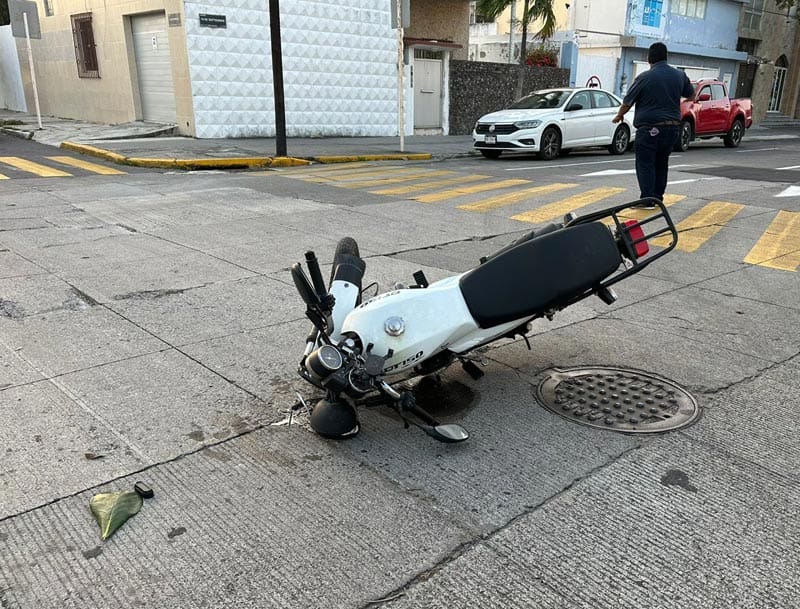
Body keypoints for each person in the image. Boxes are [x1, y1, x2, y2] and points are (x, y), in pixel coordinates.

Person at [612, 42, 693, 208]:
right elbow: (691, 95)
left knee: (645, 163)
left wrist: (620, 115)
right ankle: (657, 198)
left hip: (650, 129)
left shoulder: (644, 77)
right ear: (666, 57)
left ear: (649, 58)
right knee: (662, 163)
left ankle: (647, 199)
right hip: (672, 128)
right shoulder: (679, 75)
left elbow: (628, 102)